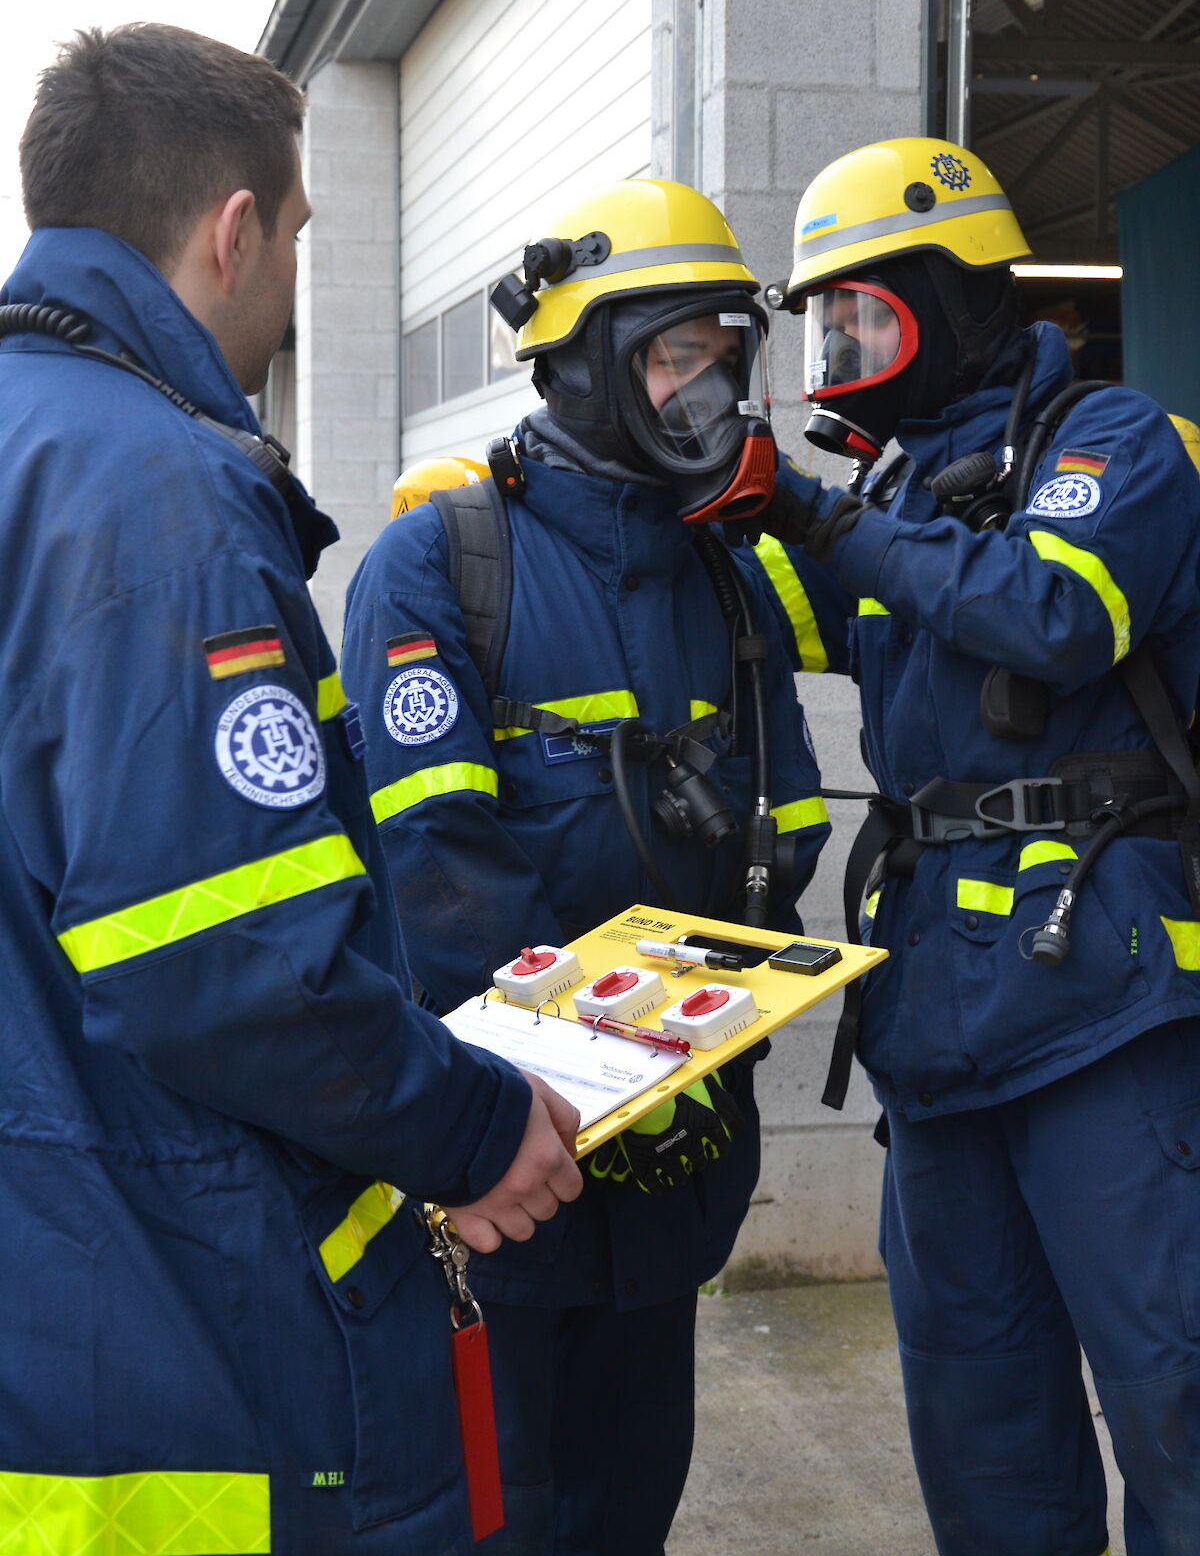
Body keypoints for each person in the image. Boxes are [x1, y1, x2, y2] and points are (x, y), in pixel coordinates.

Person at [0, 22, 583, 1556]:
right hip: (167, 1322)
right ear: (233, 227)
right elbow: (222, 965)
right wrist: (468, 1128)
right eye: (297, 240)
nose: (286, 294)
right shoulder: (161, 493)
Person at [340, 177, 831, 1555]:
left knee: (627, 1509)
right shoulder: (440, 562)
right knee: (502, 1514)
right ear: (581, 361)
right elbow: (438, 874)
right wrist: (577, 1083)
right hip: (504, 1175)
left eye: (726, 356)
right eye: (679, 356)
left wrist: (700, 1037)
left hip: (676, 1162)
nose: (712, 392)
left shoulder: (724, 574)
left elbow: (778, 825)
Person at [751, 135, 1200, 1556]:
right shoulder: (882, 502)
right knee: (978, 1414)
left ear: (952, 299)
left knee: (1173, 1391)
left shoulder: (1116, 443)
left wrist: (828, 518)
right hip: (936, 1019)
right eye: (825, 325)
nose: (842, 354)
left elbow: (1053, 615)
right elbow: (759, 619)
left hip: (1103, 1006)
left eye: (867, 317)